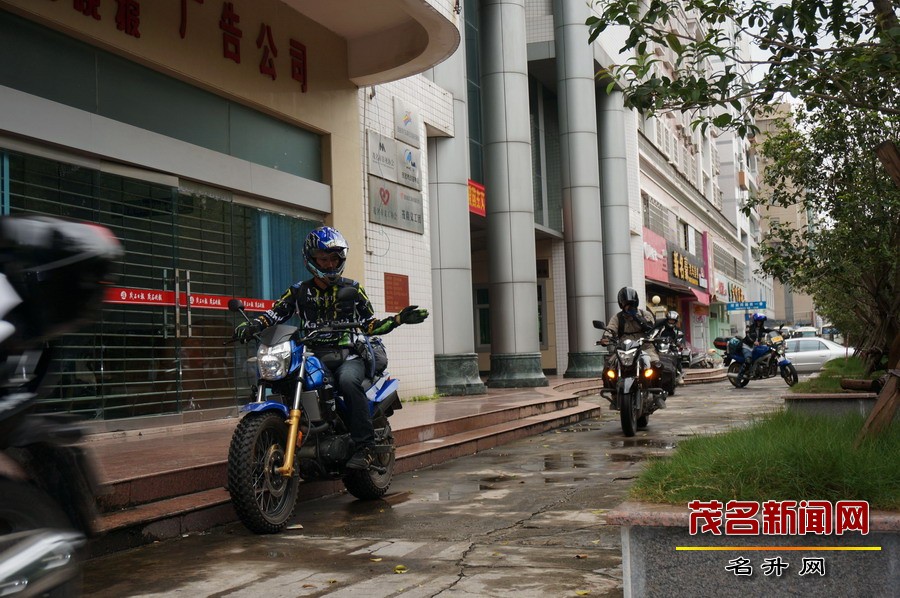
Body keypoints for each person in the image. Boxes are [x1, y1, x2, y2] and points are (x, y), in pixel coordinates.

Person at [233, 226, 429, 470]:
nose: (329, 264)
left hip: (348, 356)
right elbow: (274, 315)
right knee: (285, 380)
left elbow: (370, 325)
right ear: (311, 259)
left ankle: (365, 447)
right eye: (323, 259)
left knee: (347, 381)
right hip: (311, 355)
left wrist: (398, 319)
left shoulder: (353, 289)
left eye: (334, 259)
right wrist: (252, 325)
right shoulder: (298, 291)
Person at [600, 287, 664, 394]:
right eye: (626, 304)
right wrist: (606, 338)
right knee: (608, 367)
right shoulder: (617, 317)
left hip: (645, 347)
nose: (629, 306)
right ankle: (613, 392)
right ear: (621, 304)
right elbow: (610, 329)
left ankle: (656, 393)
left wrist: (637, 317)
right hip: (624, 348)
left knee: (657, 365)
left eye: (632, 303)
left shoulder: (645, 314)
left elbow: (650, 327)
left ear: (636, 302)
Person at [657, 310, 685, 384]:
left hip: (671, 347)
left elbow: (680, 338)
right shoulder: (661, 328)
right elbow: (654, 335)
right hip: (660, 347)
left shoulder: (677, 330)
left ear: (675, 321)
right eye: (670, 320)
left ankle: (679, 374)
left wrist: (678, 343)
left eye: (673, 320)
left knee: (677, 356)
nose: (671, 322)